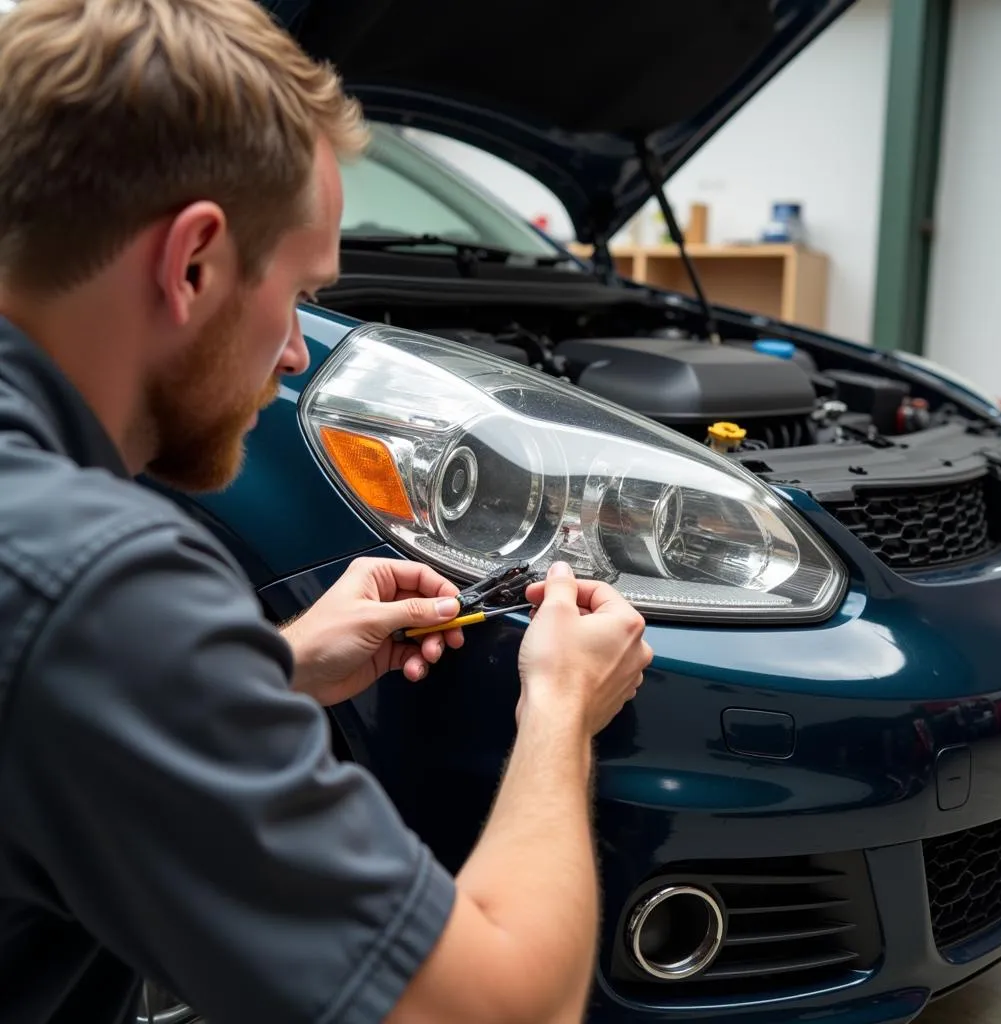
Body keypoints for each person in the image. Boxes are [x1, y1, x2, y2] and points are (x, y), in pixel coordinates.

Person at [0, 1, 653, 1022]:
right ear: (193, 264)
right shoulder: (87, 581)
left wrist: (273, 664)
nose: (298, 350)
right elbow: (501, 1011)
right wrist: (561, 709)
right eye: (301, 290)